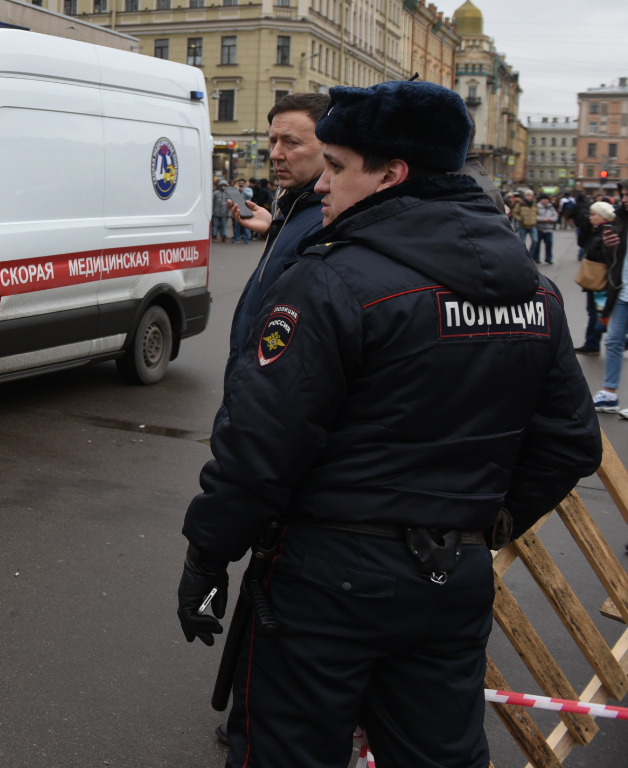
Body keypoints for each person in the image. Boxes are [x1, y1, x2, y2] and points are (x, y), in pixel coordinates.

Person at [178, 80, 601, 768]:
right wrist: (478, 527)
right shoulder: (534, 292)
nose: (324, 186)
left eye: (339, 167)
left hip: (328, 577)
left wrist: (208, 550)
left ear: (392, 174)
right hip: (453, 577)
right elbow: (570, 442)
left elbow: (261, 449)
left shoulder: (334, 281)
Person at [225, 92, 329, 363]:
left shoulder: (331, 219)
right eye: (273, 141)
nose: (275, 154)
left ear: (330, 147)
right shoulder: (298, 208)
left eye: (291, 143)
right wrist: (275, 228)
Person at [584, 201, 627, 414]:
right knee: (612, 341)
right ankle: (610, 395)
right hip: (621, 291)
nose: (625, 199)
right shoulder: (621, 222)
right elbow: (614, 260)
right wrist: (610, 247)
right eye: (625, 194)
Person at [577, 202, 620, 357]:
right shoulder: (596, 230)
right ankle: (593, 343)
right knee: (596, 311)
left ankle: (594, 344)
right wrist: (586, 225)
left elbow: (605, 255)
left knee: (598, 312)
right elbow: (582, 243)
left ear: (603, 216)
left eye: (594, 214)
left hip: (600, 279)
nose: (591, 217)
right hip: (595, 278)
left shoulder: (608, 231)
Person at [533, 196, 558, 264]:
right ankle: (536, 258)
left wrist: (552, 219)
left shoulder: (551, 207)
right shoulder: (537, 207)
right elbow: (534, 216)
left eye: (547, 200)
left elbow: (555, 215)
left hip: (549, 229)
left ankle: (548, 258)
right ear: (541, 200)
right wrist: (544, 219)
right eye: (544, 200)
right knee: (537, 244)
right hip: (539, 228)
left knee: (549, 244)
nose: (545, 201)